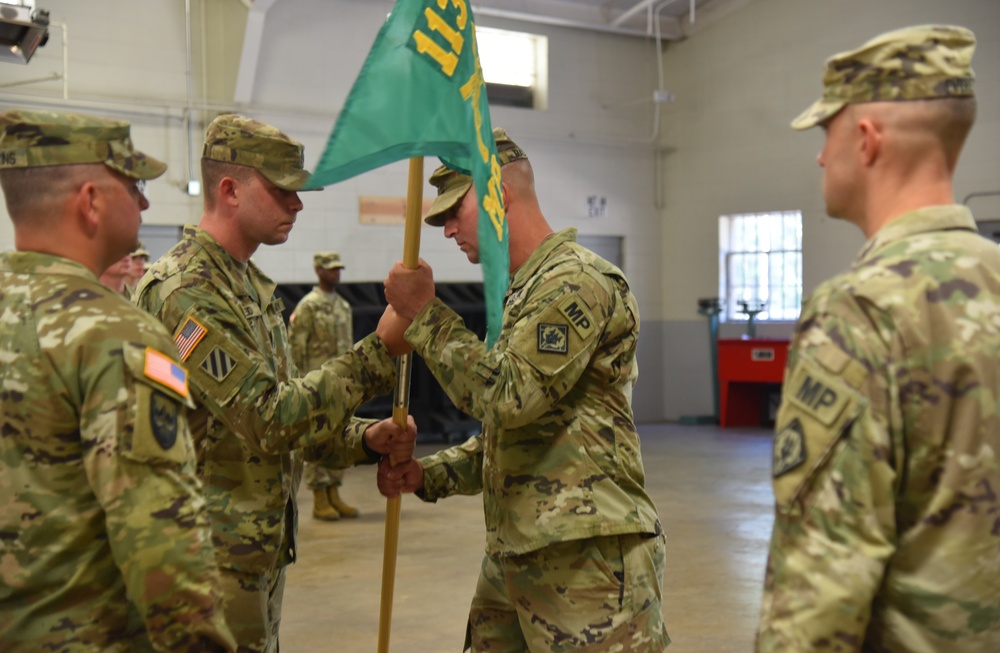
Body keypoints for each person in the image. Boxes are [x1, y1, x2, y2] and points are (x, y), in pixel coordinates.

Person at [132, 113, 416, 653]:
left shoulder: (249, 288)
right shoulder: (185, 293)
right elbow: (267, 419)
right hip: (204, 562)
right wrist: (378, 352)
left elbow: (282, 419)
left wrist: (361, 438)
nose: (298, 203)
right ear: (230, 189)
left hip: (253, 552)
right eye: (283, 190)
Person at [757, 25, 1000, 652]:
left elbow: (823, 579)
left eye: (824, 133)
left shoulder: (861, 310)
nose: (818, 156)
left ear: (865, 141)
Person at [380, 128, 669, 652]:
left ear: (498, 194)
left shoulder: (576, 282)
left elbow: (508, 396)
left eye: (453, 212)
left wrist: (425, 312)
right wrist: (429, 474)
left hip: (585, 560)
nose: (447, 231)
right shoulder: (520, 294)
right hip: (519, 553)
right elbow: (515, 438)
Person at [0, 109, 236, 651]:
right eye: (134, 185)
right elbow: (160, 537)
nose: (146, 203)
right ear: (90, 201)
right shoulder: (116, 334)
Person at [288, 251, 361, 521]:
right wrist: (299, 384)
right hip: (315, 384)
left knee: (338, 436)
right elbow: (295, 347)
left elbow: (349, 347)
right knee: (317, 437)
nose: (336, 273)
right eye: (330, 269)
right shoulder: (308, 306)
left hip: (339, 385)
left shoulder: (343, 306)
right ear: (318, 270)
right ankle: (319, 495)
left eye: (338, 269)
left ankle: (334, 491)